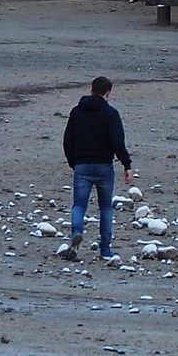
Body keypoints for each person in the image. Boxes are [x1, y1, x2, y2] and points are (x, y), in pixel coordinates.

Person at [58, 76, 133, 261]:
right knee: (106, 207)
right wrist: (127, 165)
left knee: (79, 204)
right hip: (104, 166)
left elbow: (68, 140)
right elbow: (118, 143)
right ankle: (105, 249)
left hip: (82, 165)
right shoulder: (111, 114)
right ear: (107, 93)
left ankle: (77, 231)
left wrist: (73, 162)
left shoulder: (76, 112)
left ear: (90, 89)